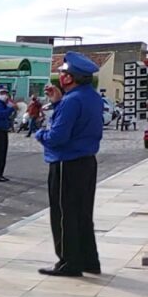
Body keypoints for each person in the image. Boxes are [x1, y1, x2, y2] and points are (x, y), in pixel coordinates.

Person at [35, 52, 103, 277]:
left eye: (63, 72)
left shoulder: (71, 101)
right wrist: (58, 102)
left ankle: (68, 262)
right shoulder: (91, 96)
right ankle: (88, 260)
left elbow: (57, 137)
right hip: (86, 162)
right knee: (83, 213)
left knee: (64, 214)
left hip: (67, 163)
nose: (60, 76)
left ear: (70, 78)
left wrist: (40, 133)